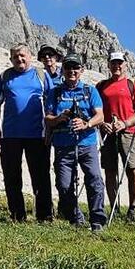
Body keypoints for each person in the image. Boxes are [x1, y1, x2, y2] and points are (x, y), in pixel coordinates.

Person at [44, 55, 107, 231]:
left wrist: (86, 124)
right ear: (63, 70)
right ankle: (76, 217)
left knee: (94, 179)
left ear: (82, 70)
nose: (72, 71)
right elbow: (47, 118)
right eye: (68, 67)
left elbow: (100, 116)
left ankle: (97, 220)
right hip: (63, 145)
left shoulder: (90, 91)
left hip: (87, 143)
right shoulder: (55, 93)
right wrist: (59, 118)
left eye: (76, 67)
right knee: (64, 185)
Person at [0, 44, 53, 222]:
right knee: (11, 176)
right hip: (10, 135)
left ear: (30, 56)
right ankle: (17, 214)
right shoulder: (5, 76)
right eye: (15, 57)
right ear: (11, 59)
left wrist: (49, 131)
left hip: (37, 135)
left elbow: (50, 104)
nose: (19, 59)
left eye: (22, 56)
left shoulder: (41, 75)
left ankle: (44, 215)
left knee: (41, 176)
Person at [96, 51, 135, 222]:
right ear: (109, 65)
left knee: (132, 169)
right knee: (110, 170)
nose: (116, 66)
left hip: (129, 132)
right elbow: (96, 110)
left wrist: (125, 123)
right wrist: (102, 124)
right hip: (108, 132)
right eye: (113, 63)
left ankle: (132, 208)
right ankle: (114, 207)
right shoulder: (101, 86)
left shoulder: (133, 84)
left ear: (125, 65)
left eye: (119, 63)